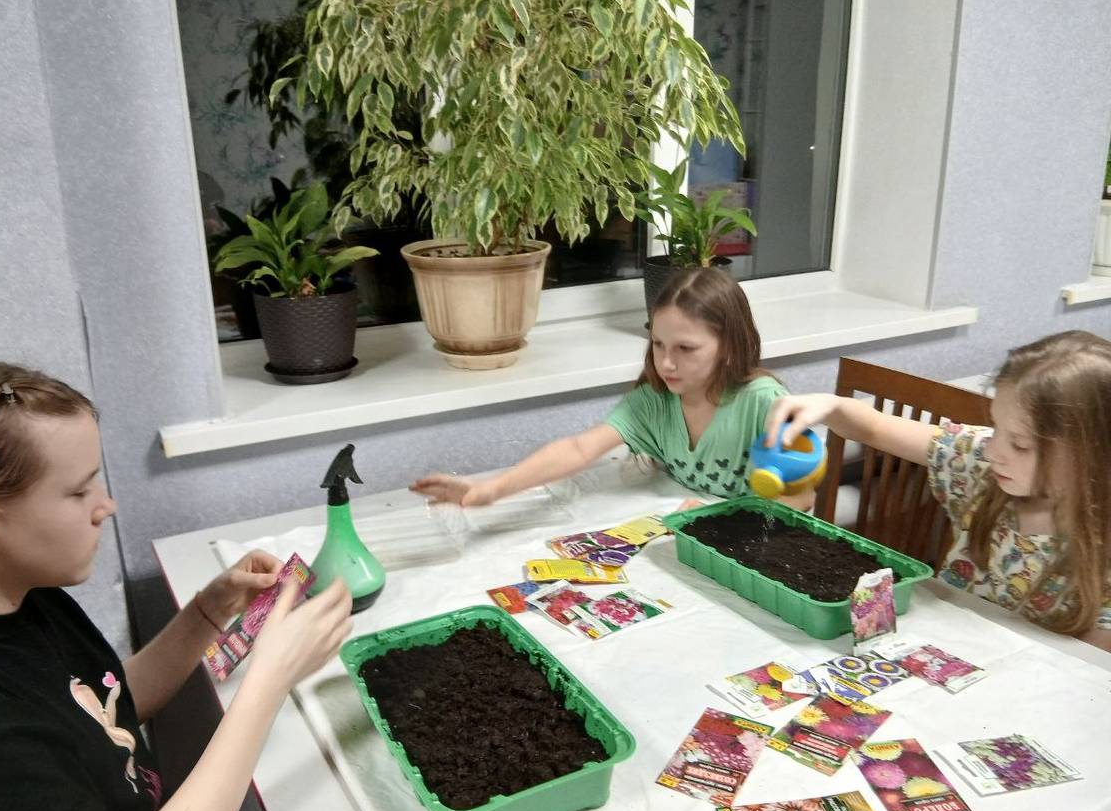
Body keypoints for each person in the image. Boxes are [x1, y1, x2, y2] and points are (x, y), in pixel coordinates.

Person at [0, 359, 354, 811]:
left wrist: (208, 612)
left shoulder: (22, 595)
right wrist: (269, 682)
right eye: (79, 491)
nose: (106, 506)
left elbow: (105, 707)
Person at [764, 330, 1111, 651]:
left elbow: (1088, 668)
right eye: (995, 427)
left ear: (1091, 453)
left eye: (1019, 444)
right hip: (938, 650)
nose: (993, 450)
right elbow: (874, 428)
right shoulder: (979, 459)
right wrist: (831, 405)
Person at [411, 268, 812, 509]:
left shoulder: (766, 404)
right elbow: (579, 449)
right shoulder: (654, 401)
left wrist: (716, 524)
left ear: (729, 347)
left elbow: (801, 499)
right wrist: (491, 489)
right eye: (658, 345)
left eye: (686, 349)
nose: (666, 363)